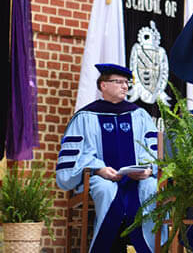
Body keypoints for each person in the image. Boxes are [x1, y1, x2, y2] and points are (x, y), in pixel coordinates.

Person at [56, 63, 162, 253]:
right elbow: (79, 154)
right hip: (102, 177)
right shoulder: (85, 116)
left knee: (151, 187)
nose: (125, 87)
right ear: (103, 85)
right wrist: (99, 169)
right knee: (105, 189)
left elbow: (152, 149)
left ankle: (151, 248)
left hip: (136, 178)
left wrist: (147, 169)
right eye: (119, 82)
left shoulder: (139, 115)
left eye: (126, 83)